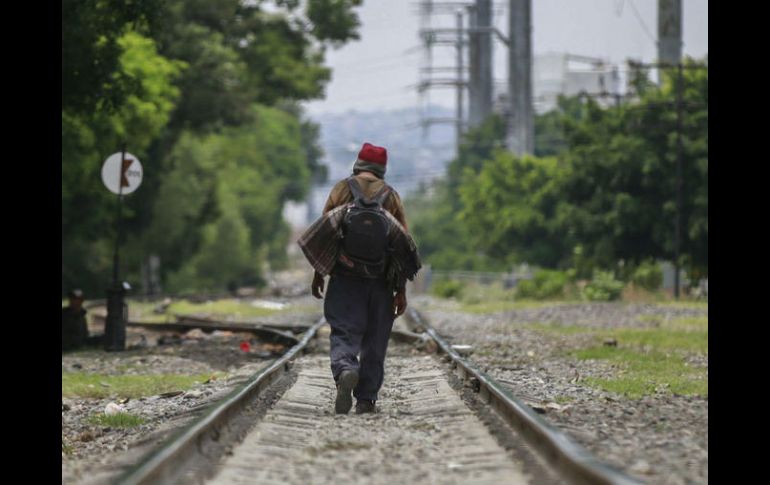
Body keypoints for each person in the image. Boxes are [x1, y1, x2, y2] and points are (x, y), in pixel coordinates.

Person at [300, 142, 419, 415]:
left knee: (343, 330)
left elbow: (324, 235)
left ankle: (345, 369)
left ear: (359, 164)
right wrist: (400, 291)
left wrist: (319, 273)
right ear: (382, 169)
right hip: (380, 284)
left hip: (344, 279)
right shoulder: (392, 197)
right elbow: (402, 246)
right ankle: (366, 399)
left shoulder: (342, 190)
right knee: (375, 341)